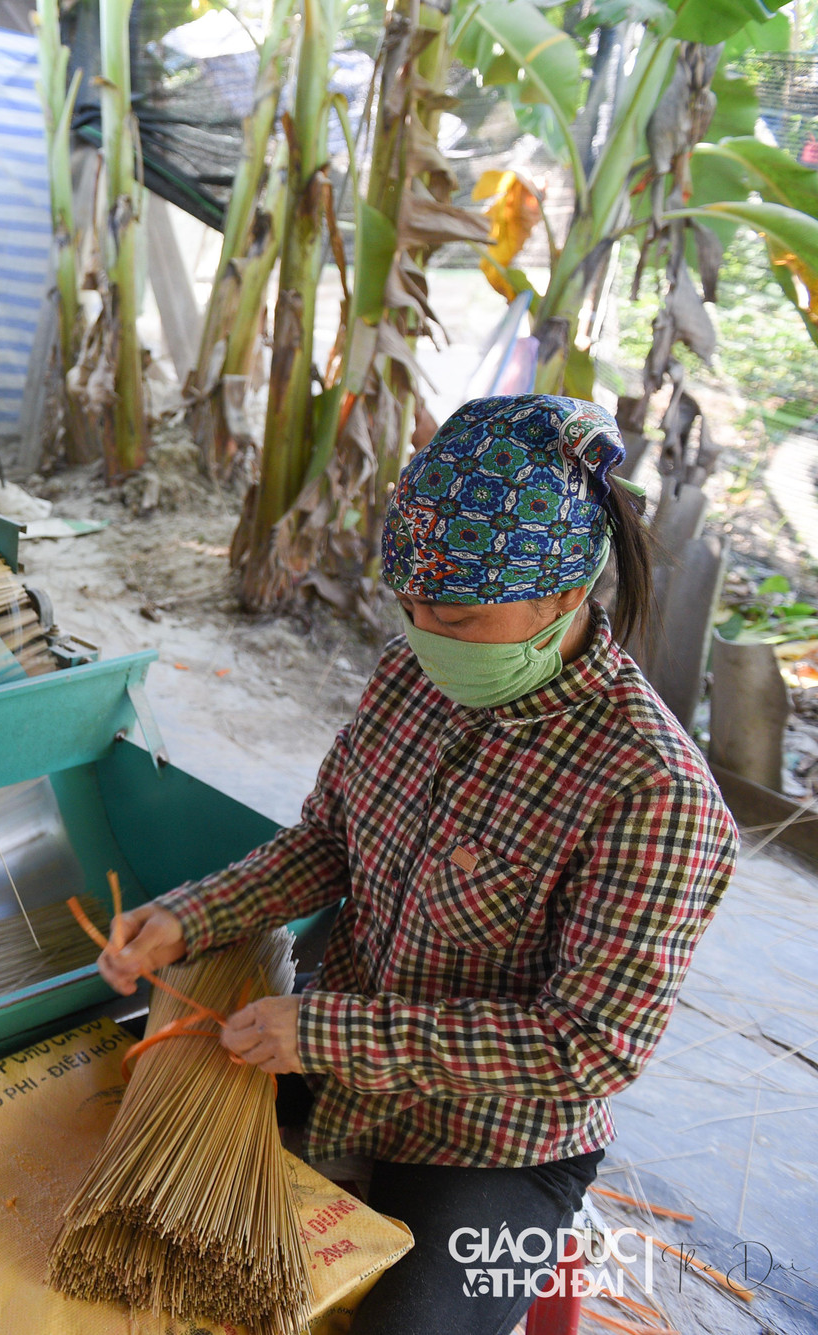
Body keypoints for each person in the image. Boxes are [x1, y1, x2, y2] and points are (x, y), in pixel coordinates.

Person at [99, 396, 738, 1335]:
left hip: (501, 1147)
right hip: (339, 1067)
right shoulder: (413, 674)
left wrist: (330, 1035)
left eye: (458, 613)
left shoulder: (654, 793)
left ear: (567, 593)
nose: (424, 631)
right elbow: (326, 842)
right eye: (410, 605)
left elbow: (586, 1047)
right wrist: (195, 914)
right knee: (139, 1206)